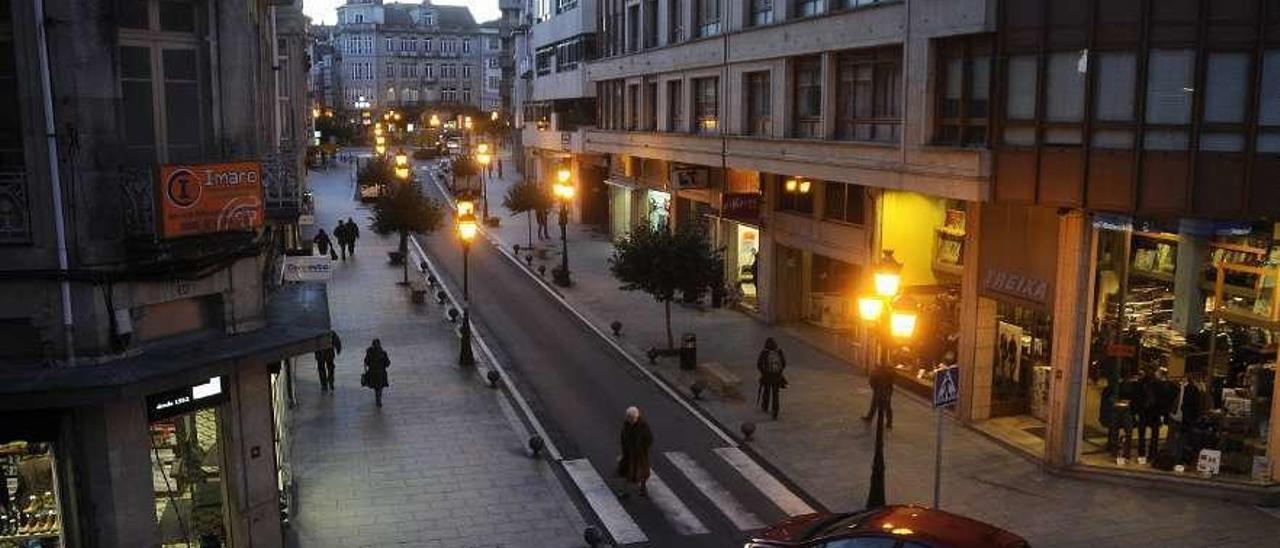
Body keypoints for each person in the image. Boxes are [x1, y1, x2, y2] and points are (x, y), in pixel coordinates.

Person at [616, 406, 652, 498]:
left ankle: (642, 489)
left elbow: (649, 439)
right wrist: (625, 451)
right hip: (630, 454)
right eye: (629, 417)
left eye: (632, 418)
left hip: (640, 455)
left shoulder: (643, 426)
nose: (630, 420)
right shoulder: (626, 425)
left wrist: (642, 449)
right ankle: (623, 491)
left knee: (643, 473)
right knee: (627, 473)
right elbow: (623, 438)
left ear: (636, 417)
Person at [756, 337, 787, 420]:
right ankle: (775, 413)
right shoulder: (779, 352)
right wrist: (779, 372)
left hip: (767, 376)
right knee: (775, 395)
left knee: (766, 391)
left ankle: (765, 406)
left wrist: (763, 372)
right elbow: (784, 363)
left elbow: (759, 364)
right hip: (777, 377)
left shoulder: (764, 352)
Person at [862, 363, 895, 429]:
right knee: (879, 404)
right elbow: (873, 380)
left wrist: (875, 386)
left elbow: (872, 380)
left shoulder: (882, 372)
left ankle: (888, 422)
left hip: (882, 390)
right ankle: (888, 422)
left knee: (884, 405)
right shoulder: (887, 372)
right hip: (882, 390)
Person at [362, 339, 391, 408]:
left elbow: (366, 362)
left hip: (372, 373)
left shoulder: (369, 353)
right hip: (381, 373)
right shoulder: (383, 353)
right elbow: (388, 363)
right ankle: (378, 399)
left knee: (376, 387)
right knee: (380, 387)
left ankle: (378, 398)